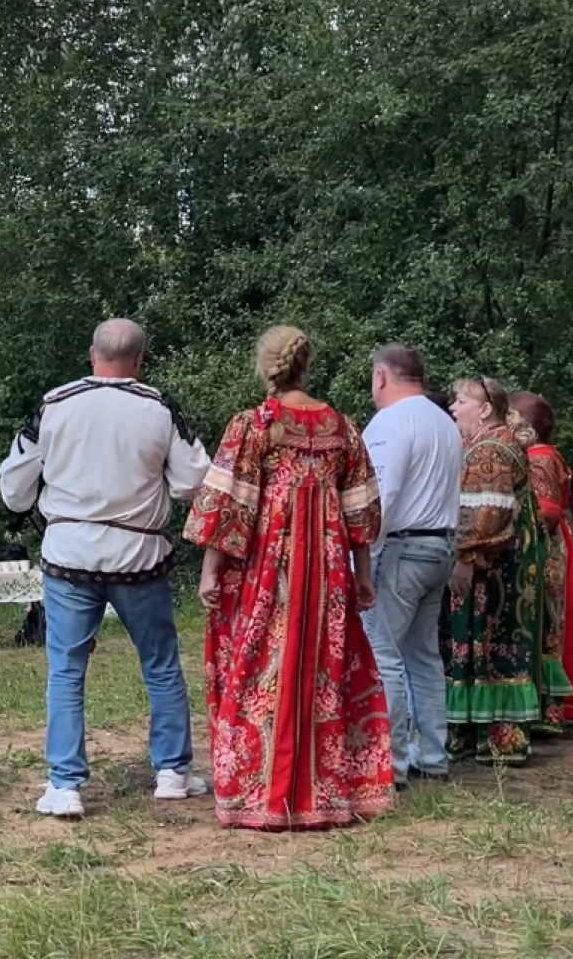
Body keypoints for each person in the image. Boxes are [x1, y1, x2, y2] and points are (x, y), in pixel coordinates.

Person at [0, 318, 213, 819]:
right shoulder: (159, 407)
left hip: (69, 554)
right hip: (140, 556)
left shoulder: (54, 405)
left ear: (91, 354)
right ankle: (172, 773)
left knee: (67, 669)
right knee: (160, 664)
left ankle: (65, 783)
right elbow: (192, 481)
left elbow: (13, 490)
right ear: (141, 360)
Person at [186, 326, 393, 830]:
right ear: (307, 363)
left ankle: (262, 794)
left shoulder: (254, 424)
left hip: (267, 564)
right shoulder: (340, 427)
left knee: (262, 665)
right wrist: (362, 575)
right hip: (326, 568)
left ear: (267, 365)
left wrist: (210, 571)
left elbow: (230, 503)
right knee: (325, 667)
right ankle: (325, 793)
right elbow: (360, 511)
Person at [360, 344, 464, 789]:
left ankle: (393, 761)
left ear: (382, 376)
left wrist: (364, 555)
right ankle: (433, 754)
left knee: (382, 651)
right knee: (422, 654)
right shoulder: (445, 422)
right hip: (441, 543)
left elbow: (381, 494)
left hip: (401, 547)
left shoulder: (390, 422)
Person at [446, 375, 552, 765]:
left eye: (461, 401)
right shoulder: (496, 443)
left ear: (485, 409)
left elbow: (486, 517)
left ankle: (492, 735)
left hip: (494, 566)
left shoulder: (490, 449)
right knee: (496, 643)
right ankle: (486, 734)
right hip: (506, 560)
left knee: (491, 643)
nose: (453, 408)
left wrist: (464, 559)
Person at [511, 391, 573, 729]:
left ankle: (557, 706)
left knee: (549, 620)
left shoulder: (538, 457)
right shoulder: (543, 453)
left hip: (547, 547)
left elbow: (547, 510)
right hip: (556, 541)